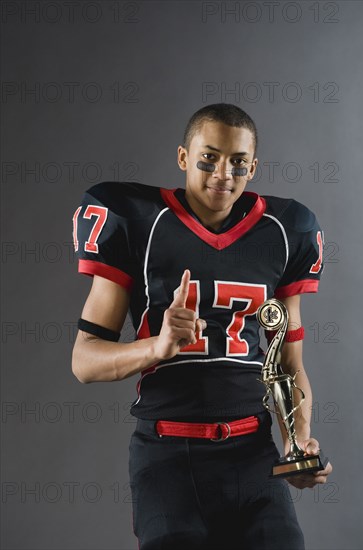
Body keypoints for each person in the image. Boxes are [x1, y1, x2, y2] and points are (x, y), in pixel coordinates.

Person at [72, 103, 333, 550]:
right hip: (167, 455)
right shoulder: (138, 220)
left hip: (252, 452)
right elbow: (85, 361)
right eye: (208, 157)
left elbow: (288, 365)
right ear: (182, 157)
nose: (222, 172)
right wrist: (157, 346)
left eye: (237, 161)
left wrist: (298, 445)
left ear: (253, 167)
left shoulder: (285, 231)